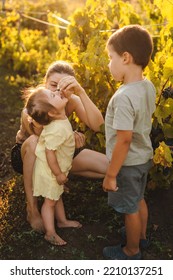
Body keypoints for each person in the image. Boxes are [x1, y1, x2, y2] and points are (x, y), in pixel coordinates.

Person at [11, 60, 108, 232]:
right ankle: (32, 208)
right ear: (45, 82)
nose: (58, 90)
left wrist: (81, 93)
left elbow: (99, 125)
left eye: (64, 86)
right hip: (29, 155)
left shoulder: (70, 100)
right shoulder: (32, 109)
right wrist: (72, 137)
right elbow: (43, 140)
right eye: (53, 85)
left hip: (59, 152)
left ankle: (58, 177)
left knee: (109, 166)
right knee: (34, 143)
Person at [102, 25, 156, 260]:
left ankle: (131, 250)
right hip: (143, 158)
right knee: (139, 198)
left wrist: (111, 174)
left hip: (127, 163)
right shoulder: (147, 86)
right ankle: (141, 234)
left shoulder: (123, 98)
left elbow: (124, 139)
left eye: (110, 58)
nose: (108, 64)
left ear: (125, 58)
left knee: (129, 208)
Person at [24, 86, 81, 245]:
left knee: (56, 196)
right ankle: (50, 233)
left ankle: (62, 221)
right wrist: (58, 174)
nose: (57, 91)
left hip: (53, 169)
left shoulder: (59, 119)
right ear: (51, 112)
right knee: (50, 202)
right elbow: (50, 153)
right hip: (50, 172)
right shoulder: (57, 129)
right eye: (52, 95)